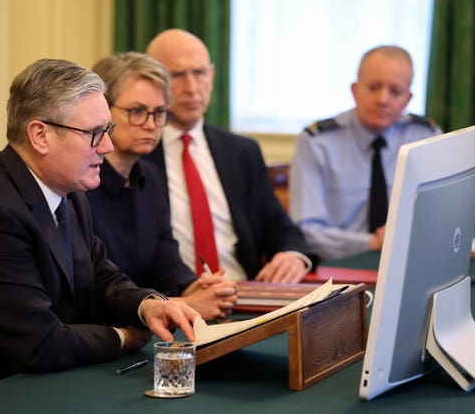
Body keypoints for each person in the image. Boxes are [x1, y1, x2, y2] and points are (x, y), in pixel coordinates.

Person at [0, 58, 200, 398]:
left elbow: (100, 276)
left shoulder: (67, 190)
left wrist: (147, 306)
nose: (107, 147)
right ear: (40, 135)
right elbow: (40, 343)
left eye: (108, 131)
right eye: (95, 134)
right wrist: (126, 336)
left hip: (28, 371)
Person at [144, 28, 317, 284]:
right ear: (153, 82)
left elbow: (282, 230)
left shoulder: (241, 152)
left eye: (199, 73)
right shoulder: (136, 155)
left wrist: (292, 256)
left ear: (212, 76)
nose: (192, 88)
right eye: (177, 75)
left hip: (242, 292)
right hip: (173, 301)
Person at [86, 52, 237, 320]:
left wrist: (198, 287)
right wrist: (182, 303)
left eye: (159, 114)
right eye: (137, 112)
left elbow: (164, 261)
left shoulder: (151, 177)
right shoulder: (81, 183)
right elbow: (93, 286)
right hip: (104, 326)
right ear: (103, 110)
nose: (151, 125)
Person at [290, 45, 442, 261]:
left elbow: (439, 215)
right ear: (354, 90)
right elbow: (308, 231)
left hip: (408, 260)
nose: (382, 99)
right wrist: (373, 243)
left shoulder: (426, 136)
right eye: (373, 87)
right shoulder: (317, 142)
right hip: (339, 266)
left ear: (407, 99)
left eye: (395, 91)